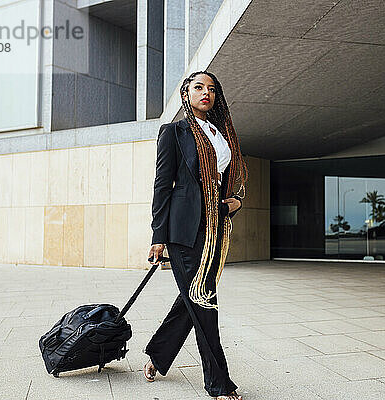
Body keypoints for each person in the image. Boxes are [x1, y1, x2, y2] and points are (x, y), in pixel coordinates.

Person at [143, 71, 248, 400]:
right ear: (186, 95)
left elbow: (225, 181)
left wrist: (235, 202)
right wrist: (157, 235)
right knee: (204, 302)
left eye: (212, 89)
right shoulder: (174, 133)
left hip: (216, 227)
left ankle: (158, 355)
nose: (206, 93)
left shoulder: (220, 133)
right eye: (199, 87)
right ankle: (218, 383)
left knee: (194, 296)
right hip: (183, 232)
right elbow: (163, 186)